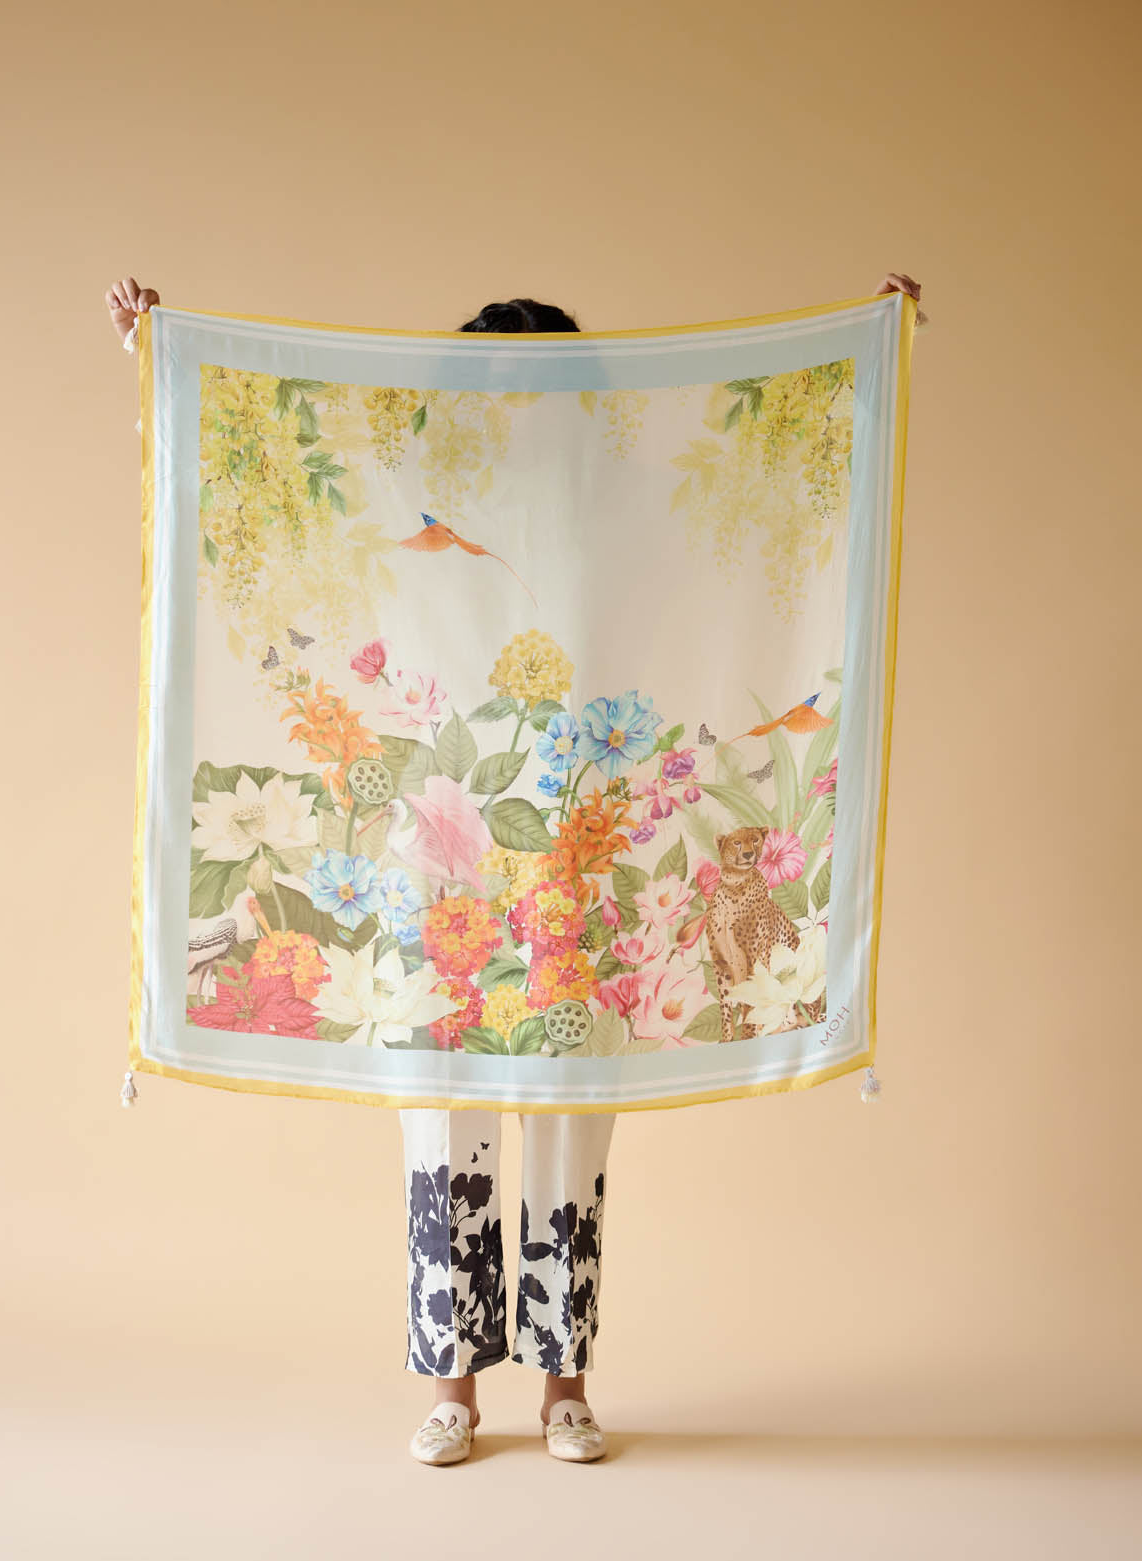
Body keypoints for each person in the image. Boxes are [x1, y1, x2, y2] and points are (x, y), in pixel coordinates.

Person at [106, 271, 923, 1466]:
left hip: (579, 843)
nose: (515, 410)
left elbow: (739, 542)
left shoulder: (620, 504)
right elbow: (289, 451)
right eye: (494, 386)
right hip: (440, 846)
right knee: (441, 1110)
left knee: (569, 1113)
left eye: (541, 387)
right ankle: (451, 1388)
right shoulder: (411, 486)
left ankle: (565, 1389)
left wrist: (870, 350)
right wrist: (160, 343)